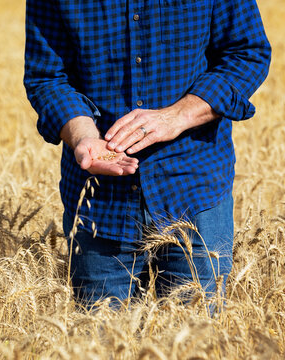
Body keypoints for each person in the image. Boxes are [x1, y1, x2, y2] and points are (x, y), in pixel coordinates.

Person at [24, 0, 271, 307]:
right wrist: (84, 136)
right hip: (100, 205)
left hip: (194, 193)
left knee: (195, 347)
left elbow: (247, 53)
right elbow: (48, 77)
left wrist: (178, 116)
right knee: (100, 349)